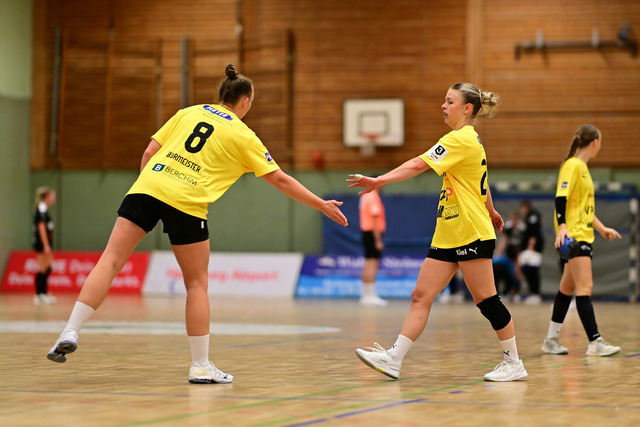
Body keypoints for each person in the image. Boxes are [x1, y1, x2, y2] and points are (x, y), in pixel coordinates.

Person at [46, 64, 349, 384]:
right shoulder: (244, 135)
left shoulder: (188, 112)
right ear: (245, 101)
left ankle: (70, 330)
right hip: (187, 201)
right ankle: (200, 366)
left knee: (110, 261)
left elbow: (150, 151)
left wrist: (148, 190)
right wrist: (320, 204)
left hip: (146, 188)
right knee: (196, 284)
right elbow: (280, 179)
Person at [348, 83, 527, 382]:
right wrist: (492, 210)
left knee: (487, 301)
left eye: (449, 101)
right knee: (420, 296)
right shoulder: (468, 140)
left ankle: (514, 363)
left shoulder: (460, 139)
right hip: (448, 233)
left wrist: (379, 180)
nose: (443, 106)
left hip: (470, 232)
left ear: (466, 108)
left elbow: (418, 163)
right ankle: (394, 359)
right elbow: (480, 183)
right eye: (444, 100)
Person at [541, 124, 621, 357]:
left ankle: (551, 340)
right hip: (574, 236)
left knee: (567, 288)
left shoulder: (583, 168)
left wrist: (602, 228)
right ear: (595, 142)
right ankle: (595, 342)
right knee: (585, 287)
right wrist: (562, 227)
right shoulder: (573, 165)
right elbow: (561, 198)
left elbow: (584, 208)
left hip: (584, 233)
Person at [359, 188, 388, 307]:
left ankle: (366, 295)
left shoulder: (365, 197)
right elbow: (374, 217)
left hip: (366, 232)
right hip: (372, 233)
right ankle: (370, 296)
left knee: (368, 263)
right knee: (372, 263)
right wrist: (378, 239)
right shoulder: (373, 197)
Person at [32, 187, 57, 305]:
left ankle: (44, 293)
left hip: (46, 243)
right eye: (52, 196)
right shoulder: (41, 209)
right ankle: (39, 294)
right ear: (47, 197)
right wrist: (46, 244)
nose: (54, 199)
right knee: (43, 268)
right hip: (42, 244)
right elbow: (41, 227)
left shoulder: (44, 209)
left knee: (48, 267)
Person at [493, 211, 523, 302]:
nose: (513, 221)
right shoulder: (508, 228)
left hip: (520, 254)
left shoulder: (522, 229)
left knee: (517, 272)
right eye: (512, 219)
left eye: (515, 219)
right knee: (497, 268)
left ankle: (515, 293)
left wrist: (518, 260)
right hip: (509, 256)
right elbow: (503, 241)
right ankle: (498, 293)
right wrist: (497, 255)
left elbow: (522, 245)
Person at [519, 200, 544, 304]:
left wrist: (531, 246)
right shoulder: (527, 217)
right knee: (526, 269)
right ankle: (533, 293)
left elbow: (534, 231)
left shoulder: (533, 215)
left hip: (533, 248)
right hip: (527, 248)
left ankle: (535, 293)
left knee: (533, 270)